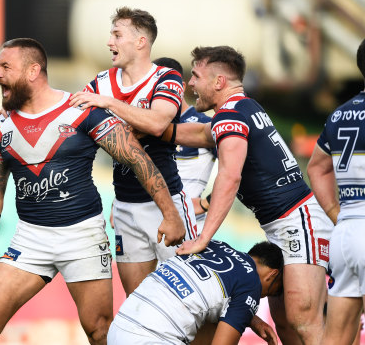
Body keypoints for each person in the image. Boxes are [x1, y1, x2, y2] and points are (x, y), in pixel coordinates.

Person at [0, 38, 185, 345]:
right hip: (30, 238)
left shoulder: (82, 110)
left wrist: (170, 213)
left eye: (5, 67)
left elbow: (137, 158)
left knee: (99, 331)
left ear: (33, 71)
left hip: (83, 236)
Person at [162, 45, 334, 345]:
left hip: (298, 220)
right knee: (285, 323)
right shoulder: (243, 108)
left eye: (196, 75)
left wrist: (203, 238)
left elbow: (230, 177)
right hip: (284, 222)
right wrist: (144, 124)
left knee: (303, 320)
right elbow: (196, 135)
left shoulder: (231, 116)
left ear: (218, 82)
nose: (191, 83)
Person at [69, 7, 196, 296]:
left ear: (141, 42)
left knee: (188, 300)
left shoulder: (166, 78)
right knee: (138, 302)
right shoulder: (102, 82)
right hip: (124, 206)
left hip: (166, 204)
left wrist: (108, 104)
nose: (109, 42)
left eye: (117, 35)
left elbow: (157, 121)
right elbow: (69, 115)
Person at [107, 240, 284, 345]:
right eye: (271, 293)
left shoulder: (215, 245)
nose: (263, 297)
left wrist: (252, 320)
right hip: (153, 339)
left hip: (119, 328)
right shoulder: (252, 284)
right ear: (272, 275)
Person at [306, 38, 365, 345]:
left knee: (337, 337)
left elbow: (316, 166)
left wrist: (334, 212)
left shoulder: (340, 114)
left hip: (344, 233)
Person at [152, 57, 216, 230]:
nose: (158, 93)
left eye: (164, 86)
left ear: (181, 86)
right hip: (148, 221)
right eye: (153, 87)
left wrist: (205, 203)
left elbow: (239, 167)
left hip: (188, 225)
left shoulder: (204, 124)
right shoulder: (148, 124)